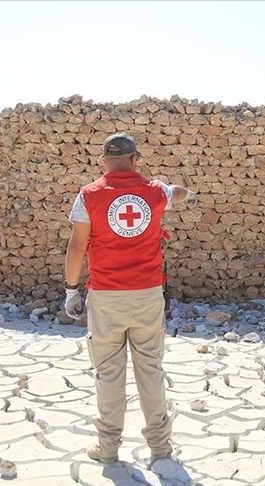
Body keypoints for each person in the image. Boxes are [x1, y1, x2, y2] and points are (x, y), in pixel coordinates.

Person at [63, 132, 198, 466]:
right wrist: (190, 195)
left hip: (106, 296)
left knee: (108, 374)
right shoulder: (154, 193)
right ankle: (161, 447)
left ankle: (108, 448)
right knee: (150, 370)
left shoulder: (88, 195)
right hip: (148, 295)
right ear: (135, 159)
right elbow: (177, 192)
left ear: (105, 161)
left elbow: (77, 246)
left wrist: (70, 290)